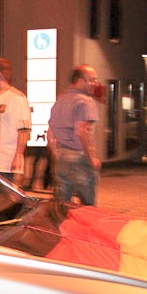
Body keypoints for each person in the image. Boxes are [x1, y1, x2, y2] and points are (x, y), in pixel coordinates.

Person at [47, 65, 101, 205]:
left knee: (61, 204)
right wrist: (92, 157)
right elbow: (82, 131)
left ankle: (60, 226)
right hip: (79, 157)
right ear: (79, 80)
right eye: (91, 80)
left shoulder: (60, 99)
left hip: (61, 156)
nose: (94, 84)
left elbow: (50, 131)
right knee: (88, 204)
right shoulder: (86, 101)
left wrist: (56, 152)